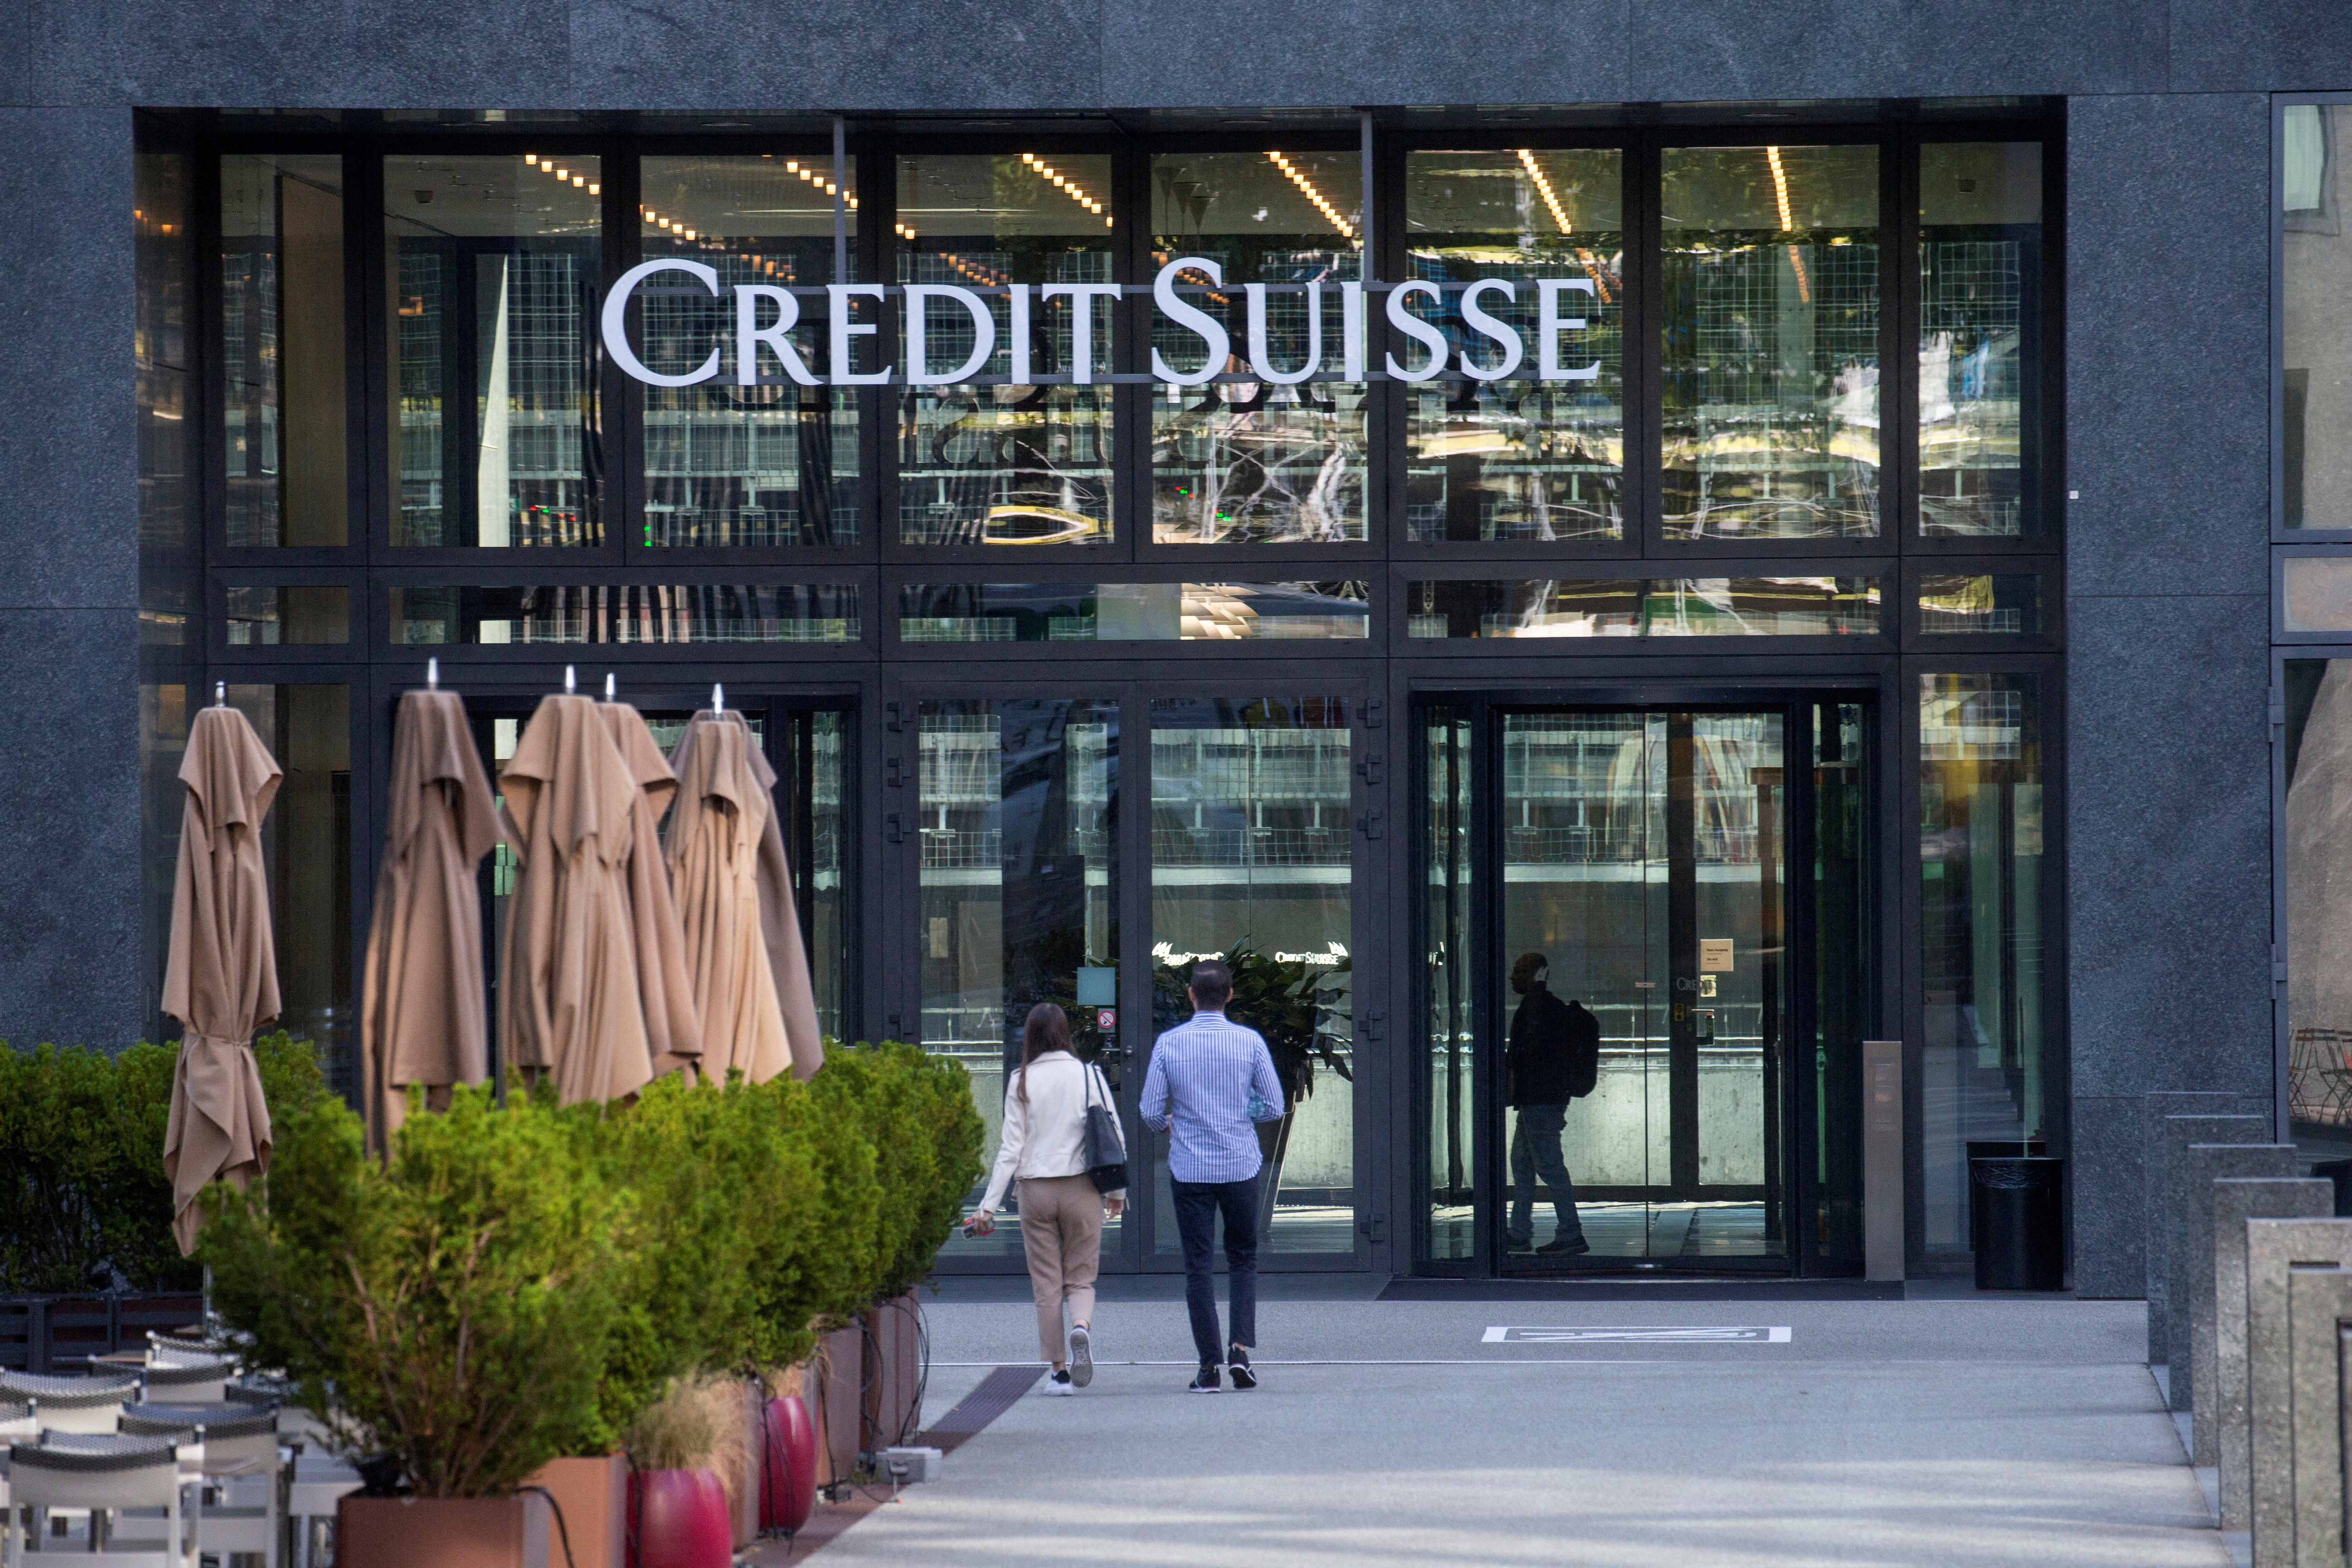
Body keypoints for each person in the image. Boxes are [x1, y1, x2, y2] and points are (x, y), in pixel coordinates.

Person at [1139, 959, 1286, 1393]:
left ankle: (1208, 1368)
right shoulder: (1250, 1042)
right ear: (1229, 995)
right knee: (1243, 1257)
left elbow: (1149, 1111)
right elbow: (1275, 1106)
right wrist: (1241, 1114)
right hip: (1241, 1163)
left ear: (1190, 995)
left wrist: (1172, 1123)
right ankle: (1240, 1350)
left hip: (1190, 1169)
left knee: (1198, 1267)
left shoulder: (1169, 1043)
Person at [971, 1003, 1126, 1396]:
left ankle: (1059, 1374)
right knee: (1081, 1278)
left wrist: (988, 1205)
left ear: (1031, 1037)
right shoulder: (1089, 1075)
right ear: (1065, 1033)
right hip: (1082, 1188)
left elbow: (1010, 1149)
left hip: (1036, 1191)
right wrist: (1117, 1192)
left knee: (1047, 1284)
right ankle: (1081, 1328)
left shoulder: (1021, 1079)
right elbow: (1113, 1134)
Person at [1506, 952, 1593, 1256]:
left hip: (1538, 1103)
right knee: (1524, 1163)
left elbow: (1528, 1059)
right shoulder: (1546, 1008)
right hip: (1540, 1103)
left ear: (1534, 975)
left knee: (1549, 1168)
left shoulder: (1536, 1010)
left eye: (1518, 971)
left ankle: (1570, 1233)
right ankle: (1519, 1233)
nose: (1512, 977)